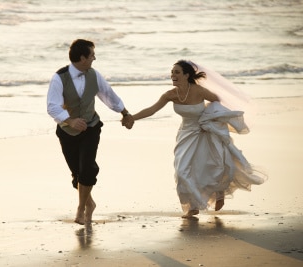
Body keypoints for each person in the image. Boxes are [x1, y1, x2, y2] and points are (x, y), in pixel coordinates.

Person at [127, 60, 267, 218]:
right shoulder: (170, 95)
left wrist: (208, 119)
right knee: (182, 171)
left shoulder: (199, 91)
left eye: (177, 72)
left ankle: (218, 193)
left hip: (204, 132)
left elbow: (216, 101)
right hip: (185, 134)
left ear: (187, 75)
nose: (173, 75)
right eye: (172, 72)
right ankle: (192, 205)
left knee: (211, 166)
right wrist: (132, 117)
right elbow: (152, 109)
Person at [47, 39, 134, 225]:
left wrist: (125, 113)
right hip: (66, 131)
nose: (95, 58)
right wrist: (70, 120)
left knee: (88, 168)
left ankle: (80, 209)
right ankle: (90, 203)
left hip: (91, 127)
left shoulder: (94, 75)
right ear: (82, 58)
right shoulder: (58, 78)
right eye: (92, 55)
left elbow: (108, 95)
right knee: (76, 174)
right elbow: (52, 107)